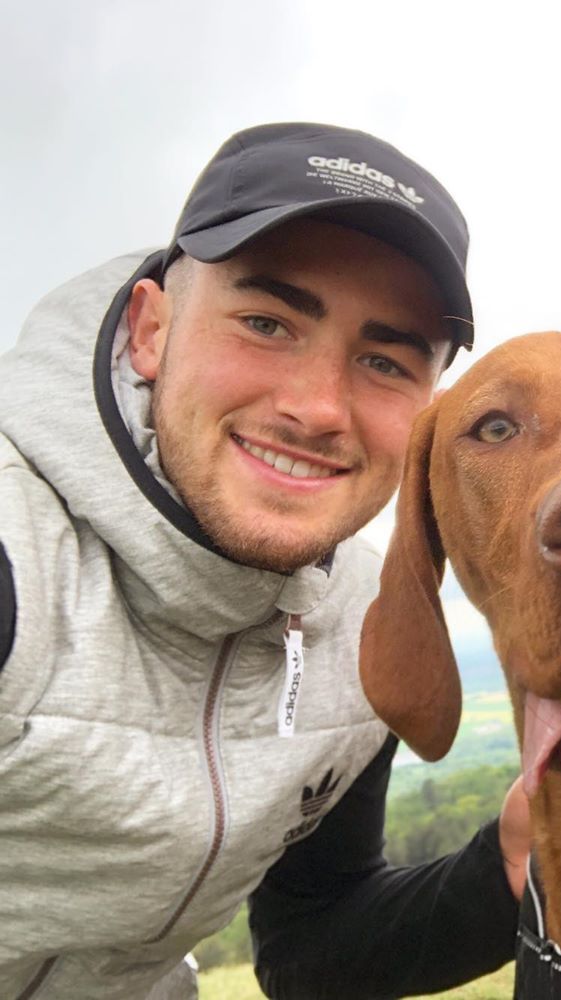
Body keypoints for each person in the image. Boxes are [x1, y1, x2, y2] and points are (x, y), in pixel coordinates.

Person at [0, 122, 526, 1000]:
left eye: (385, 361)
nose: (318, 408)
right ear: (150, 330)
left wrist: (509, 867)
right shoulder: (18, 554)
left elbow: (315, 938)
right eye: (266, 322)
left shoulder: (366, 622)